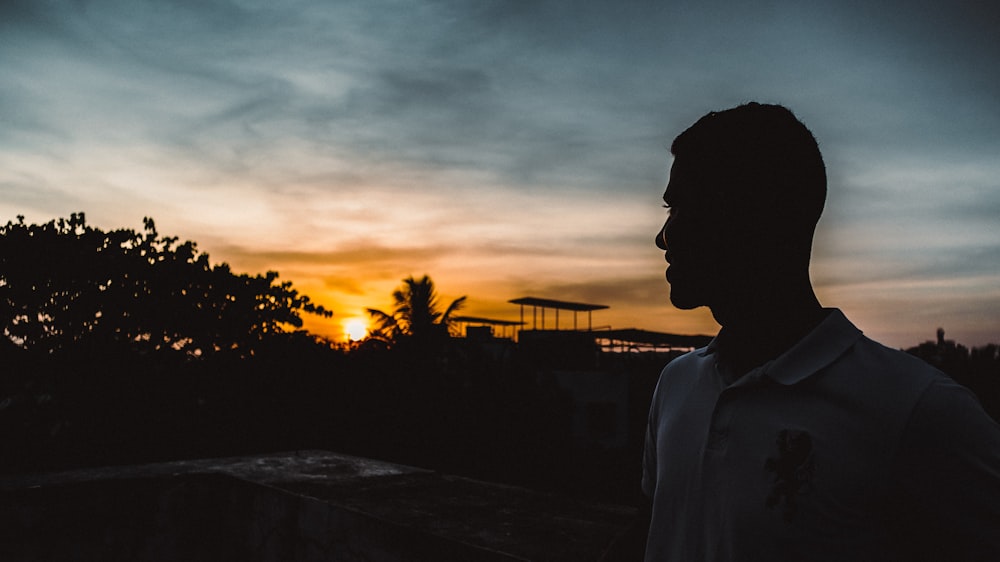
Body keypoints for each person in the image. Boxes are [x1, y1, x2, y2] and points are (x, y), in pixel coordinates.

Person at [641, 102, 1000, 561]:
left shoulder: (917, 411)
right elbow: (653, 527)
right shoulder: (676, 383)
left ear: (748, 216)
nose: (662, 237)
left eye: (680, 209)